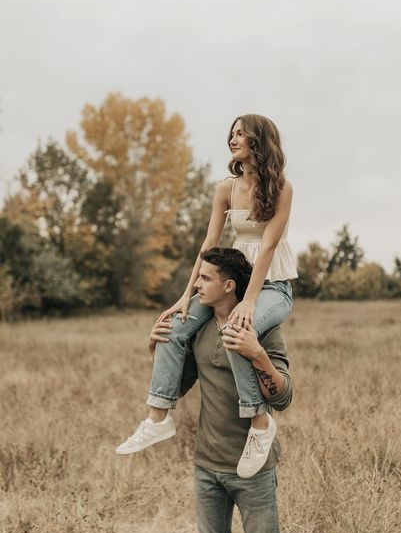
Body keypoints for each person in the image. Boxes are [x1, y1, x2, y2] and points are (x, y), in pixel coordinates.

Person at [116, 114, 297, 477]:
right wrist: (186, 295)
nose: (233, 140)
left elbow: (267, 247)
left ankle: (260, 425)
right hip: (234, 282)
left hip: (272, 285)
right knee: (175, 325)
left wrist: (248, 301)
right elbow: (209, 244)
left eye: (241, 135)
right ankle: (158, 417)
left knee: (236, 333)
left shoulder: (282, 189)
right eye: (231, 134)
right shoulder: (225, 188)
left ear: (259, 141)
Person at [151, 248, 292, 533]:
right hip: (207, 466)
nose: (195, 284)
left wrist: (257, 355)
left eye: (205, 277)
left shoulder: (265, 329)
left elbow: (284, 397)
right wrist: (154, 349)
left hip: (253, 469)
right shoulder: (196, 329)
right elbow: (180, 384)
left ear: (229, 286)